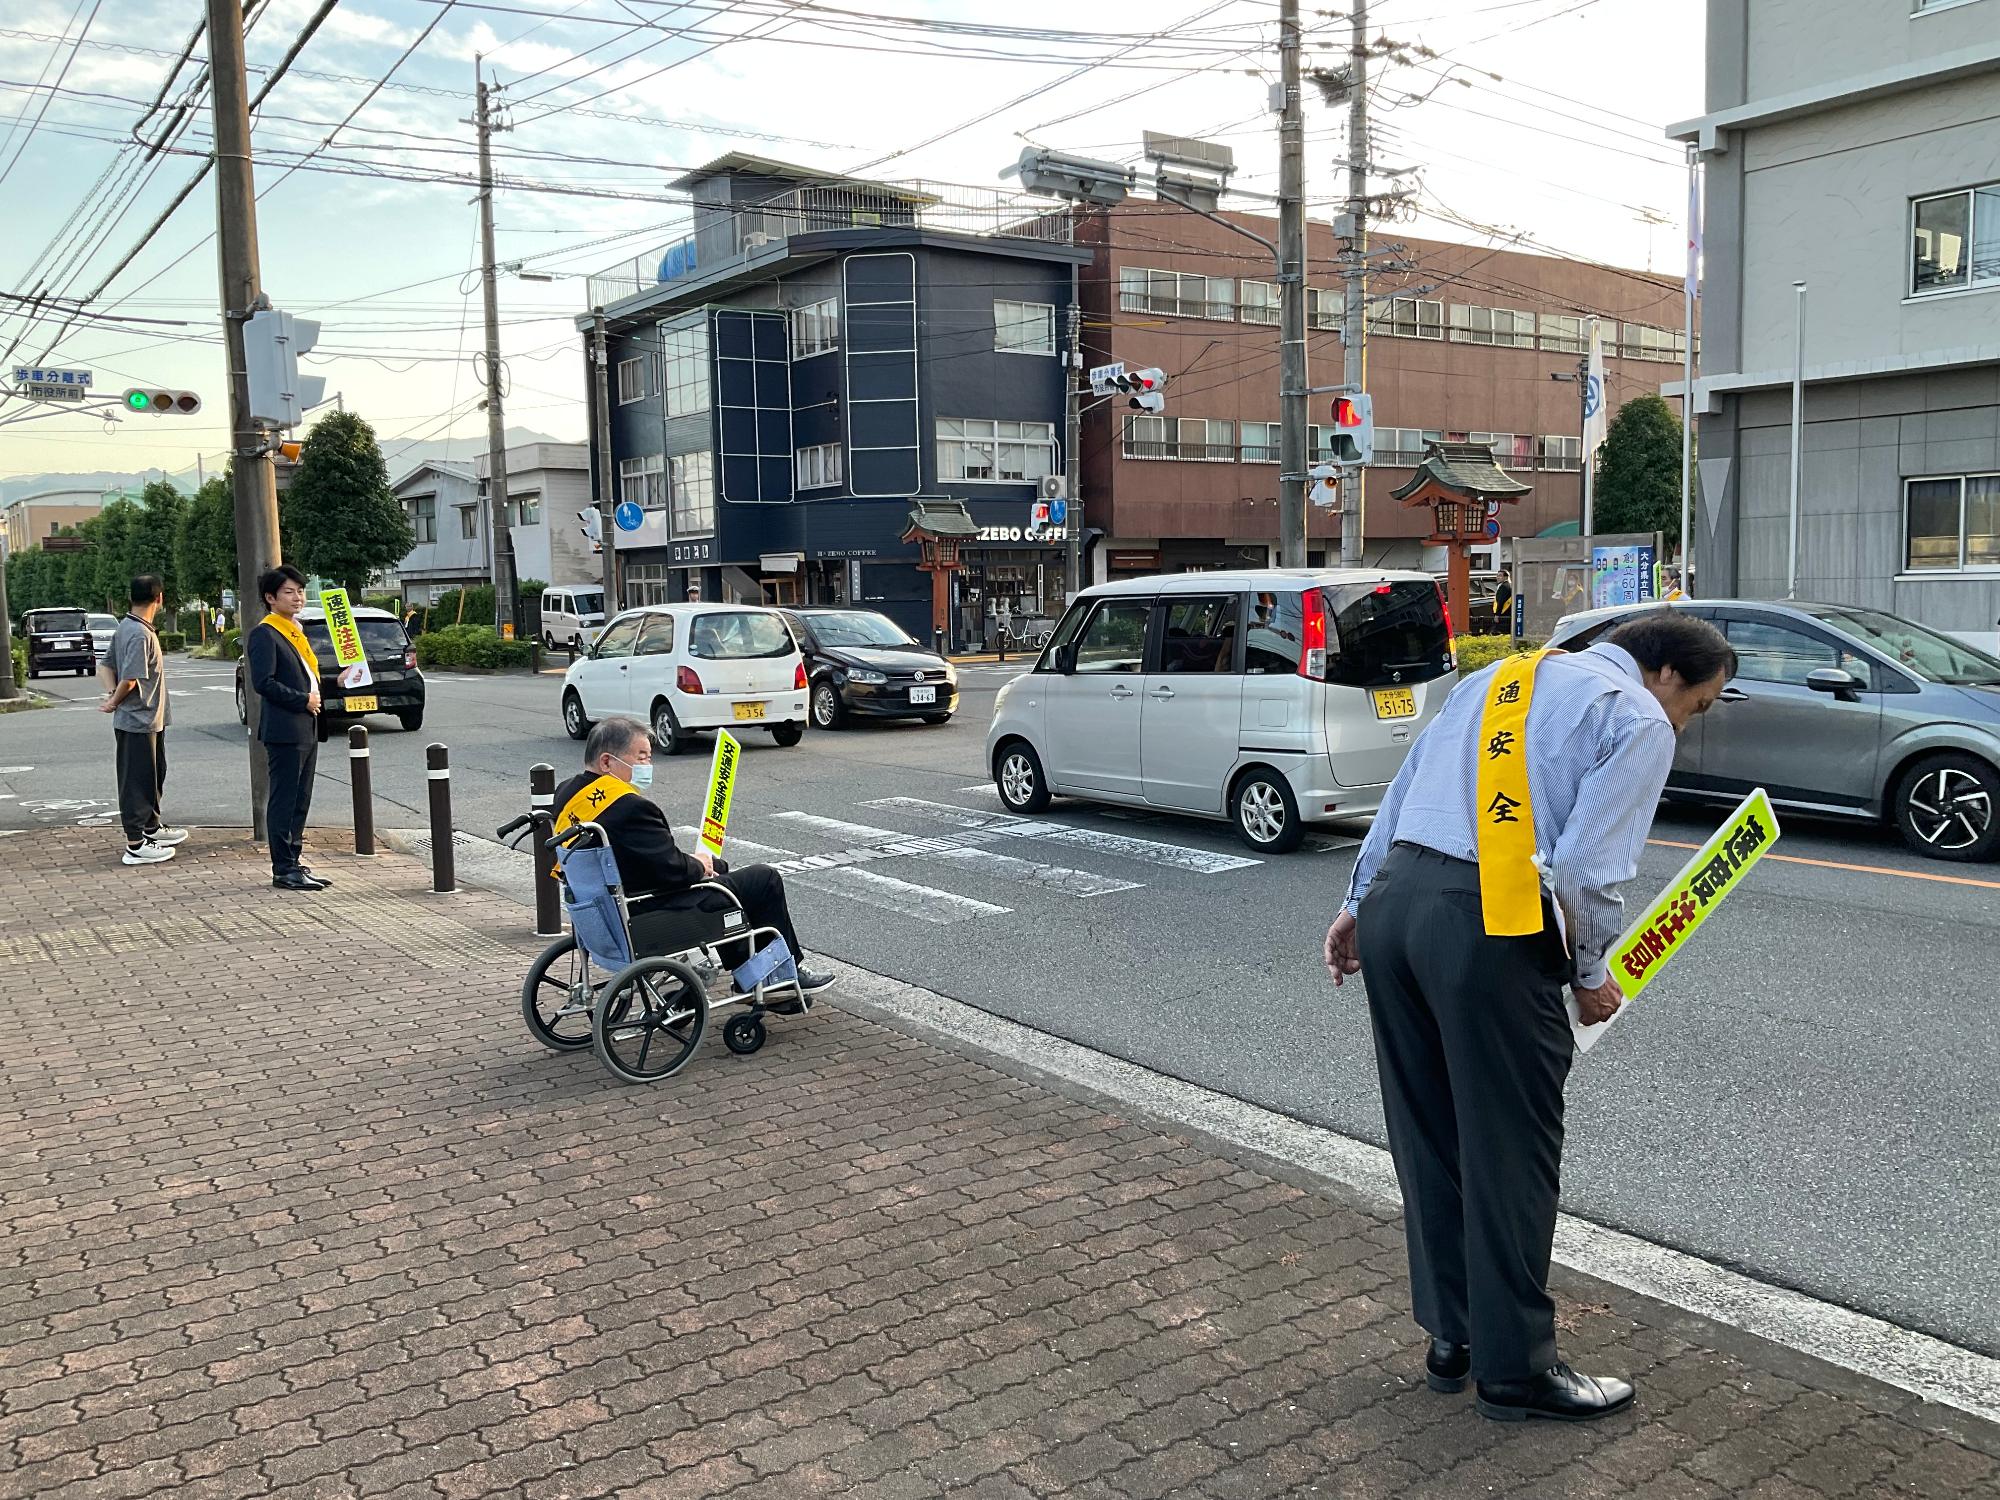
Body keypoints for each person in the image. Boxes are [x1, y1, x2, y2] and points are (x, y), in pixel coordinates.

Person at [1323, 610, 1735, 1423]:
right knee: (1510, 1148)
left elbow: (1403, 792)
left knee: (1428, 1134)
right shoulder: (1637, 717)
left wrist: (1357, 905)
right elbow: (1584, 868)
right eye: (1699, 705)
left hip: (1399, 903)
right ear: (1666, 674)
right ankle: (1515, 1370)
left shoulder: (1498, 677)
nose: (1687, 723)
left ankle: (1453, 1337)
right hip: (1491, 920)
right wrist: (1589, 974)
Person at [553, 716, 833, 1002]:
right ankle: (777, 973)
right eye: (641, 757)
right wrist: (699, 865)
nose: (647, 765)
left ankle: (749, 968)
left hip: (606, 906)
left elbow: (642, 856)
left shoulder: (565, 794)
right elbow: (673, 870)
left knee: (721, 871)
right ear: (606, 762)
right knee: (763, 878)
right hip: (648, 910)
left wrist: (701, 865)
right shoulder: (630, 807)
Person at [245, 565, 331, 892]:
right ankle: (283, 868)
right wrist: (302, 700)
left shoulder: (295, 629)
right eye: (289, 592)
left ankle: (294, 862)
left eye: (300, 591)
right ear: (270, 598)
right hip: (285, 729)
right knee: (284, 800)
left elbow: (305, 677)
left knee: (300, 800)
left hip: (307, 726)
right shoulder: (265, 633)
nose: (297, 598)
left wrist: (335, 682)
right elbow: (263, 683)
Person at [99, 575, 186, 866]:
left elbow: (105, 666)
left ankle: (152, 828)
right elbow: (130, 679)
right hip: (137, 720)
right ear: (159, 599)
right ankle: (136, 844)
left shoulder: (127, 627)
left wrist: (111, 694)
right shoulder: (139, 633)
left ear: (131, 597)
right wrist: (114, 701)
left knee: (153, 774)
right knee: (137, 781)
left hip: (150, 719)